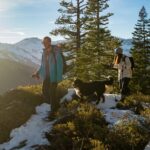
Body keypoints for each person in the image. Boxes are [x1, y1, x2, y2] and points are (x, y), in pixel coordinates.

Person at [32, 36, 65, 116]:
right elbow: (43, 65)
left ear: (50, 42)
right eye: (43, 43)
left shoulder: (56, 51)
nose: (44, 44)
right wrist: (37, 73)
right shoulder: (44, 52)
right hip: (47, 76)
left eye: (46, 42)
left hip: (54, 77)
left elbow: (60, 65)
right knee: (44, 91)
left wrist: (58, 78)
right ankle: (56, 106)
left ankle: (53, 112)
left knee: (52, 93)